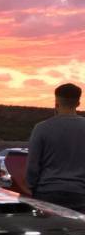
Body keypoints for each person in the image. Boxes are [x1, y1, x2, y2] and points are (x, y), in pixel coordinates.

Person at [27, 83, 85, 212]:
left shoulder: (41, 128)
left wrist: (32, 187)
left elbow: (32, 164)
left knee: (50, 225)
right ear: (78, 103)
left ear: (56, 102)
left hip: (47, 191)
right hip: (79, 192)